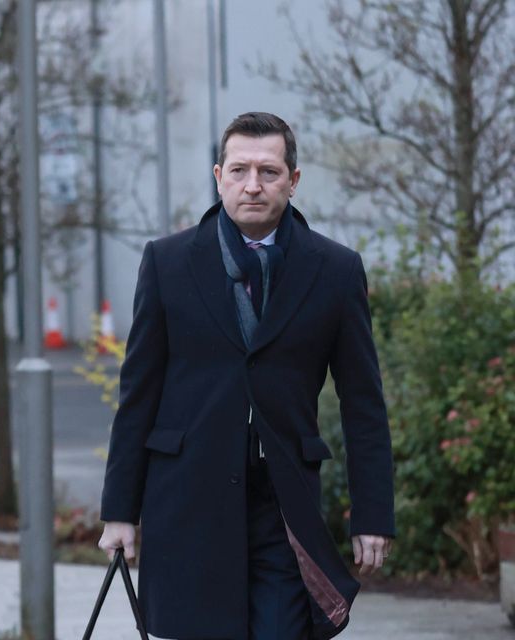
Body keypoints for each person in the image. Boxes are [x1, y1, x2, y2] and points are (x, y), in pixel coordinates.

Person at [97, 112, 395, 640]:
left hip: (284, 508)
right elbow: (137, 393)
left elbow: (363, 403)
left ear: (293, 180)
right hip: (187, 501)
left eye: (268, 171)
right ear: (218, 176)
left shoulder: (336, 269)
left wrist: (373, 515)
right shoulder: (166, 263)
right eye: (238, 171)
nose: (252, 185)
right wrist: (119, 511)